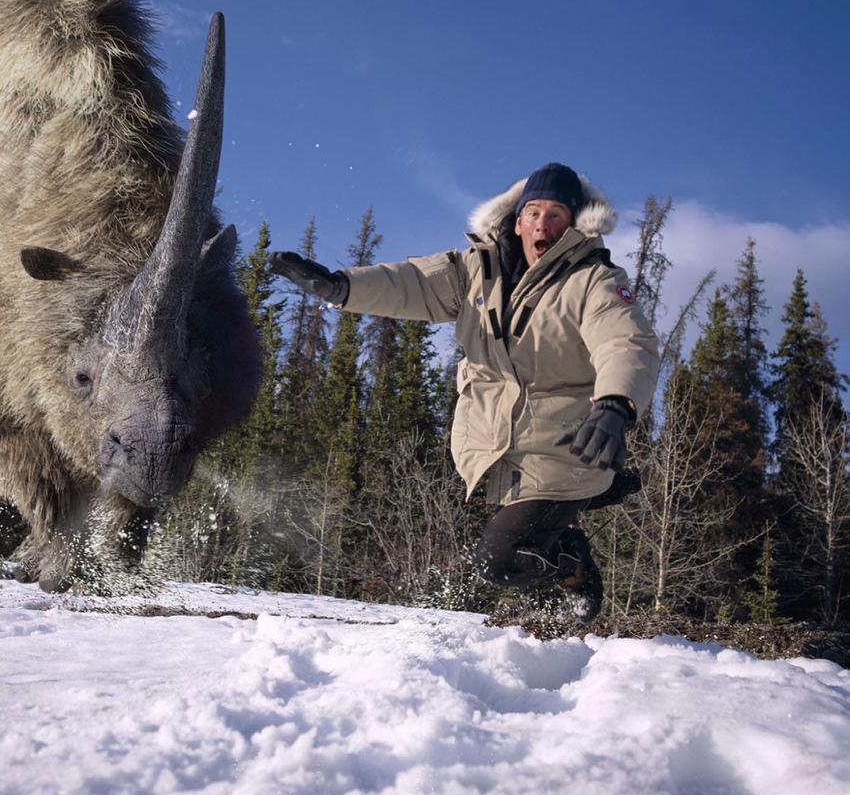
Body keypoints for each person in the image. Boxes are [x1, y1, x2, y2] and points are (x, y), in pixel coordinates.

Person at [268, 162, 659, 621]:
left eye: (556, 214)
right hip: (501, 448)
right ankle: (567, 554)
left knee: (498, 562)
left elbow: (624, 341)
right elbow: (410, 284)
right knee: (512, 557)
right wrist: (342, 287)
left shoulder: (594, 280)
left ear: (574, 223)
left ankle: (572, 565)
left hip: (568, 448)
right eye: (533, 212)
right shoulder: (477, 270)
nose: (543, 224)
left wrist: (615, 403)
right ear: (517, 220)